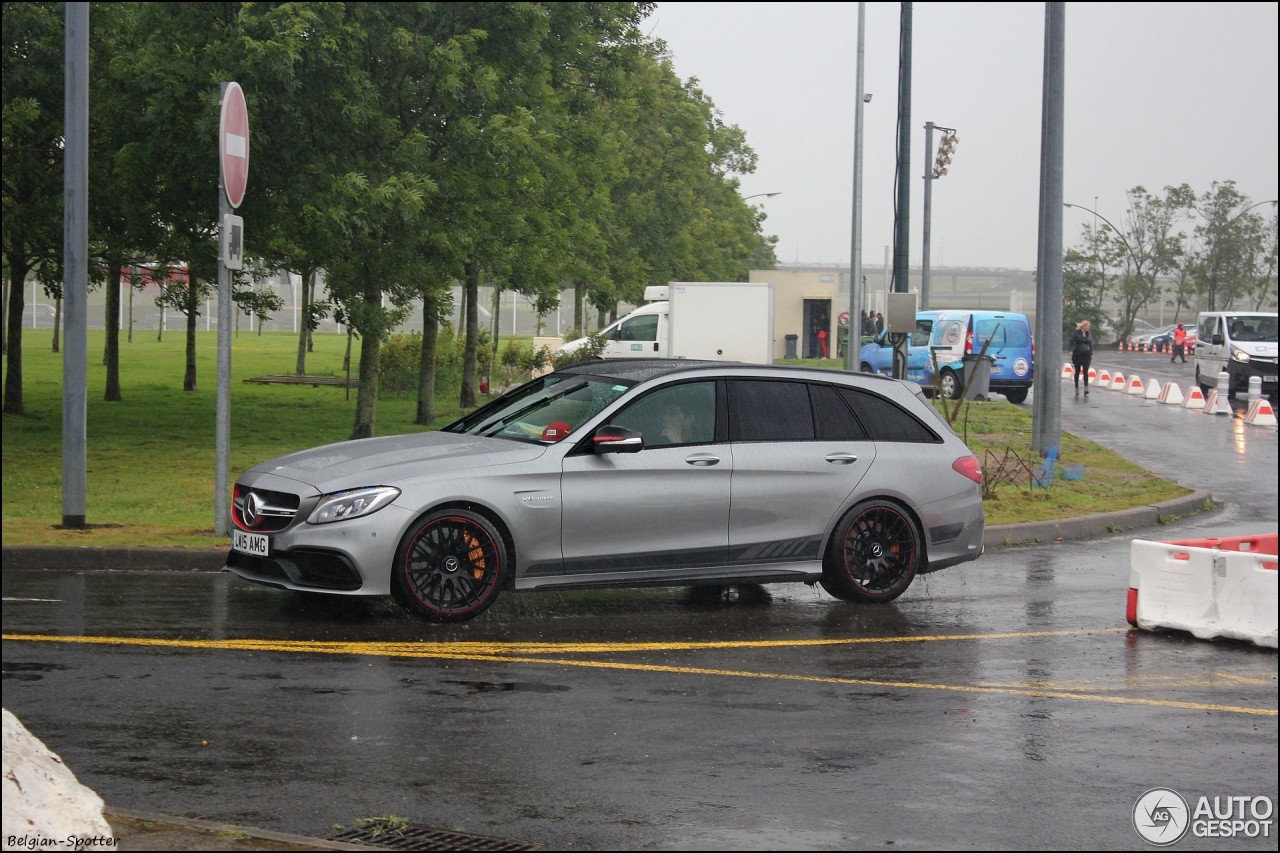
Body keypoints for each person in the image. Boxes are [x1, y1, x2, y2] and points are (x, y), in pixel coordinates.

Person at [1070, 320, 1094, 395]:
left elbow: (1090, 343)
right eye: (1088, 326)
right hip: (1077, 354)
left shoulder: (1089, 333)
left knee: (1085, 371)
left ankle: (1086, 387)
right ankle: (1076, 387)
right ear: (1083, 326)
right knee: (1077, 371)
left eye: (1089, 326)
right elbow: (1071, 341)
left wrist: (1091, 353)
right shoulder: (1076, 333)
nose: (1089, 327)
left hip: (1086, 354)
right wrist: (1070, 350)